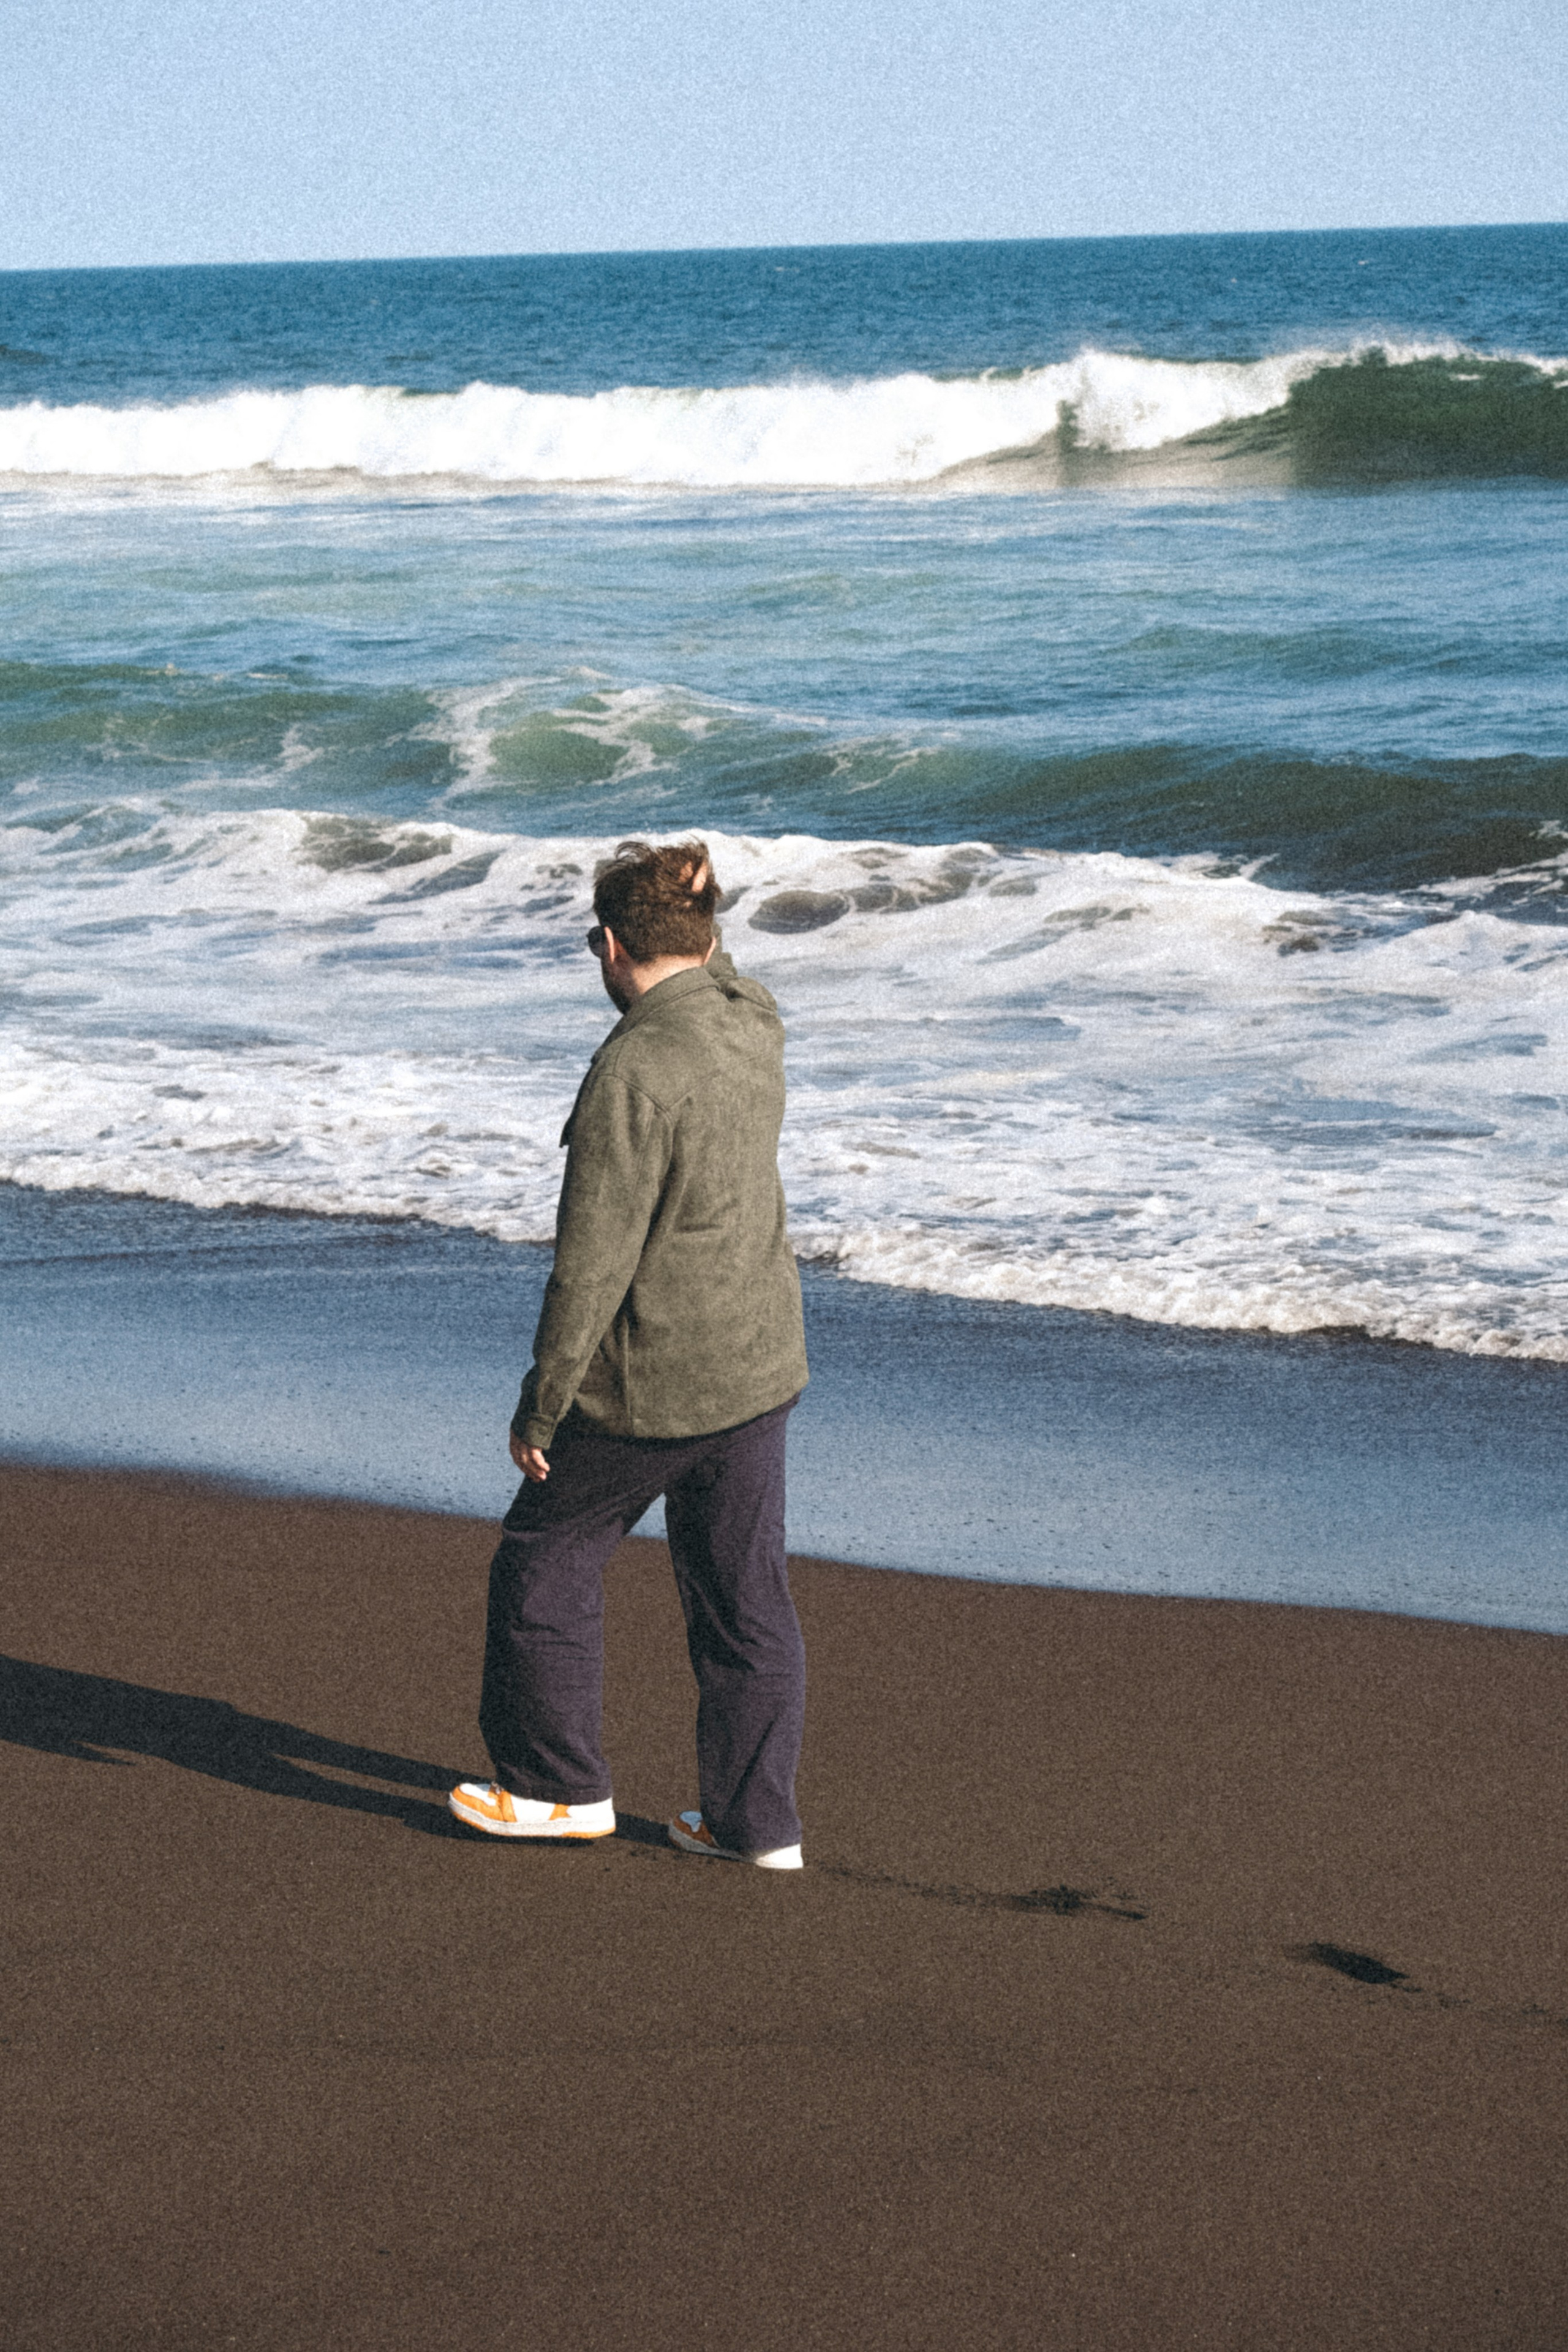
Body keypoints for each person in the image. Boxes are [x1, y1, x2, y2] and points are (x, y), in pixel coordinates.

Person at [448, 838, 810, 1868]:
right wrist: (695, 907)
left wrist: (540, 1408)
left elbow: (592, 1268)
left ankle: (560, 1790)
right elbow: (716, 965)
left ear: (608, 946)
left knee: (545, 1555)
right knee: (746, 1600)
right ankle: (756, 1826)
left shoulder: (632, 1071)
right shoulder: (754, 1017)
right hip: (760, 1362)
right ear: (705, 939)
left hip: (656, 1380)